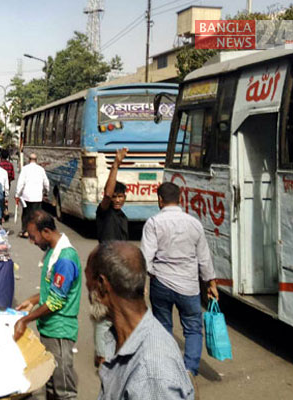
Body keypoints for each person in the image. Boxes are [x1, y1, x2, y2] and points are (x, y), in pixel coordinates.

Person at [87, 242, 195, 399]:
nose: (87, 288)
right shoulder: (121, 339)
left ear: (102, 284)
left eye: (88, 280)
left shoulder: (151, 372)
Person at [141, 182, 218, 377]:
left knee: (163, 326)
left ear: (159, 200)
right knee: (192, 328)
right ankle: (189, 370)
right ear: (180, 199)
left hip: (161, 283)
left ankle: (167, 369)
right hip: (189, 287)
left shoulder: (153, 223)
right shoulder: (194, 223)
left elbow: (145, 257)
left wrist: (143, 282)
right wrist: (212, 283)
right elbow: (204, 257)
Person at [14, 210, 81, 400]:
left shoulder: (65, 259)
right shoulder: (53, 251)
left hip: (59, 330)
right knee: (51, 382)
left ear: (45, 232)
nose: (32, 241)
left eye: (33, 236)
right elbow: (51, 291)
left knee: (64, 389)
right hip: (50, 327)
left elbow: (55, 301)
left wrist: (25, 320)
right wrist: (33, 300)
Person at [93, 147, 129, 366]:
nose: (116, 199)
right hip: (106, 273)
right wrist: (116, 164)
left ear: (125, 197)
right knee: (104, 318)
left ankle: (116, 352)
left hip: (120, 273)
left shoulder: (122, 217)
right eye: (114, 196)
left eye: (120, 196)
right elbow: (106, 194)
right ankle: (102, 357)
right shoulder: (104, 213)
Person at [15, 153, 49, 238]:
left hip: (26, 196)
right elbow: (46, 182)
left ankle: (25, 231)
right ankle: (36, 231)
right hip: (37, 196)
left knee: (26, 214)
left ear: (29, 160)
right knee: (37, 214)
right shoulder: (41, 169)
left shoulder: (25, 169)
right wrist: (46, 191)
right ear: (36, 160)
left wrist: (17, 194)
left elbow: (21, 183)